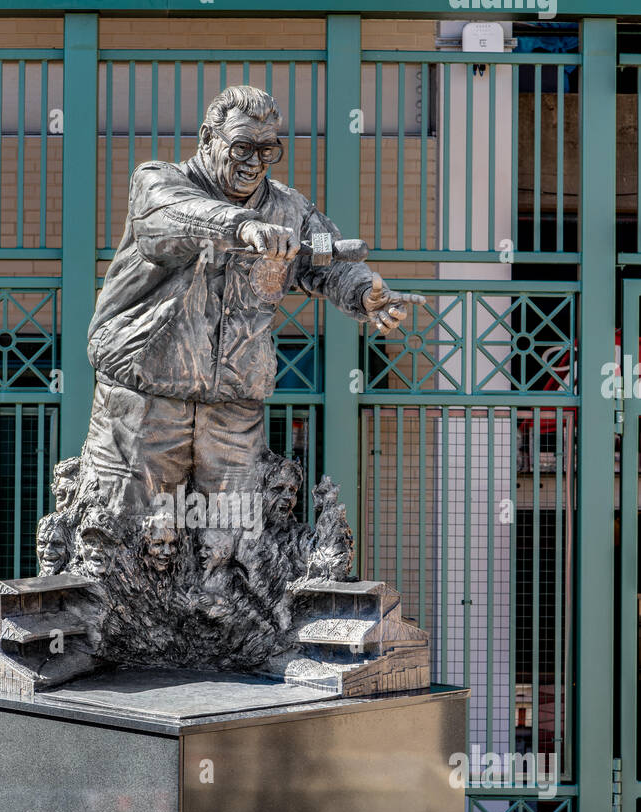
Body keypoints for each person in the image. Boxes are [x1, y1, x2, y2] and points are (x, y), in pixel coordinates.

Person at [82, 83, 422, 517]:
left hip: (233, 410)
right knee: (124, 536)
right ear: (207, 139)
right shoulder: (158, 182)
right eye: (242, 147)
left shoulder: (288, 208)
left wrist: (363, 293)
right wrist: (243, 227)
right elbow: (173, 218)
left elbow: (325, 257)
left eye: (267, 151)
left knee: (234, 549)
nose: (253, 163)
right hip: (143, 402)